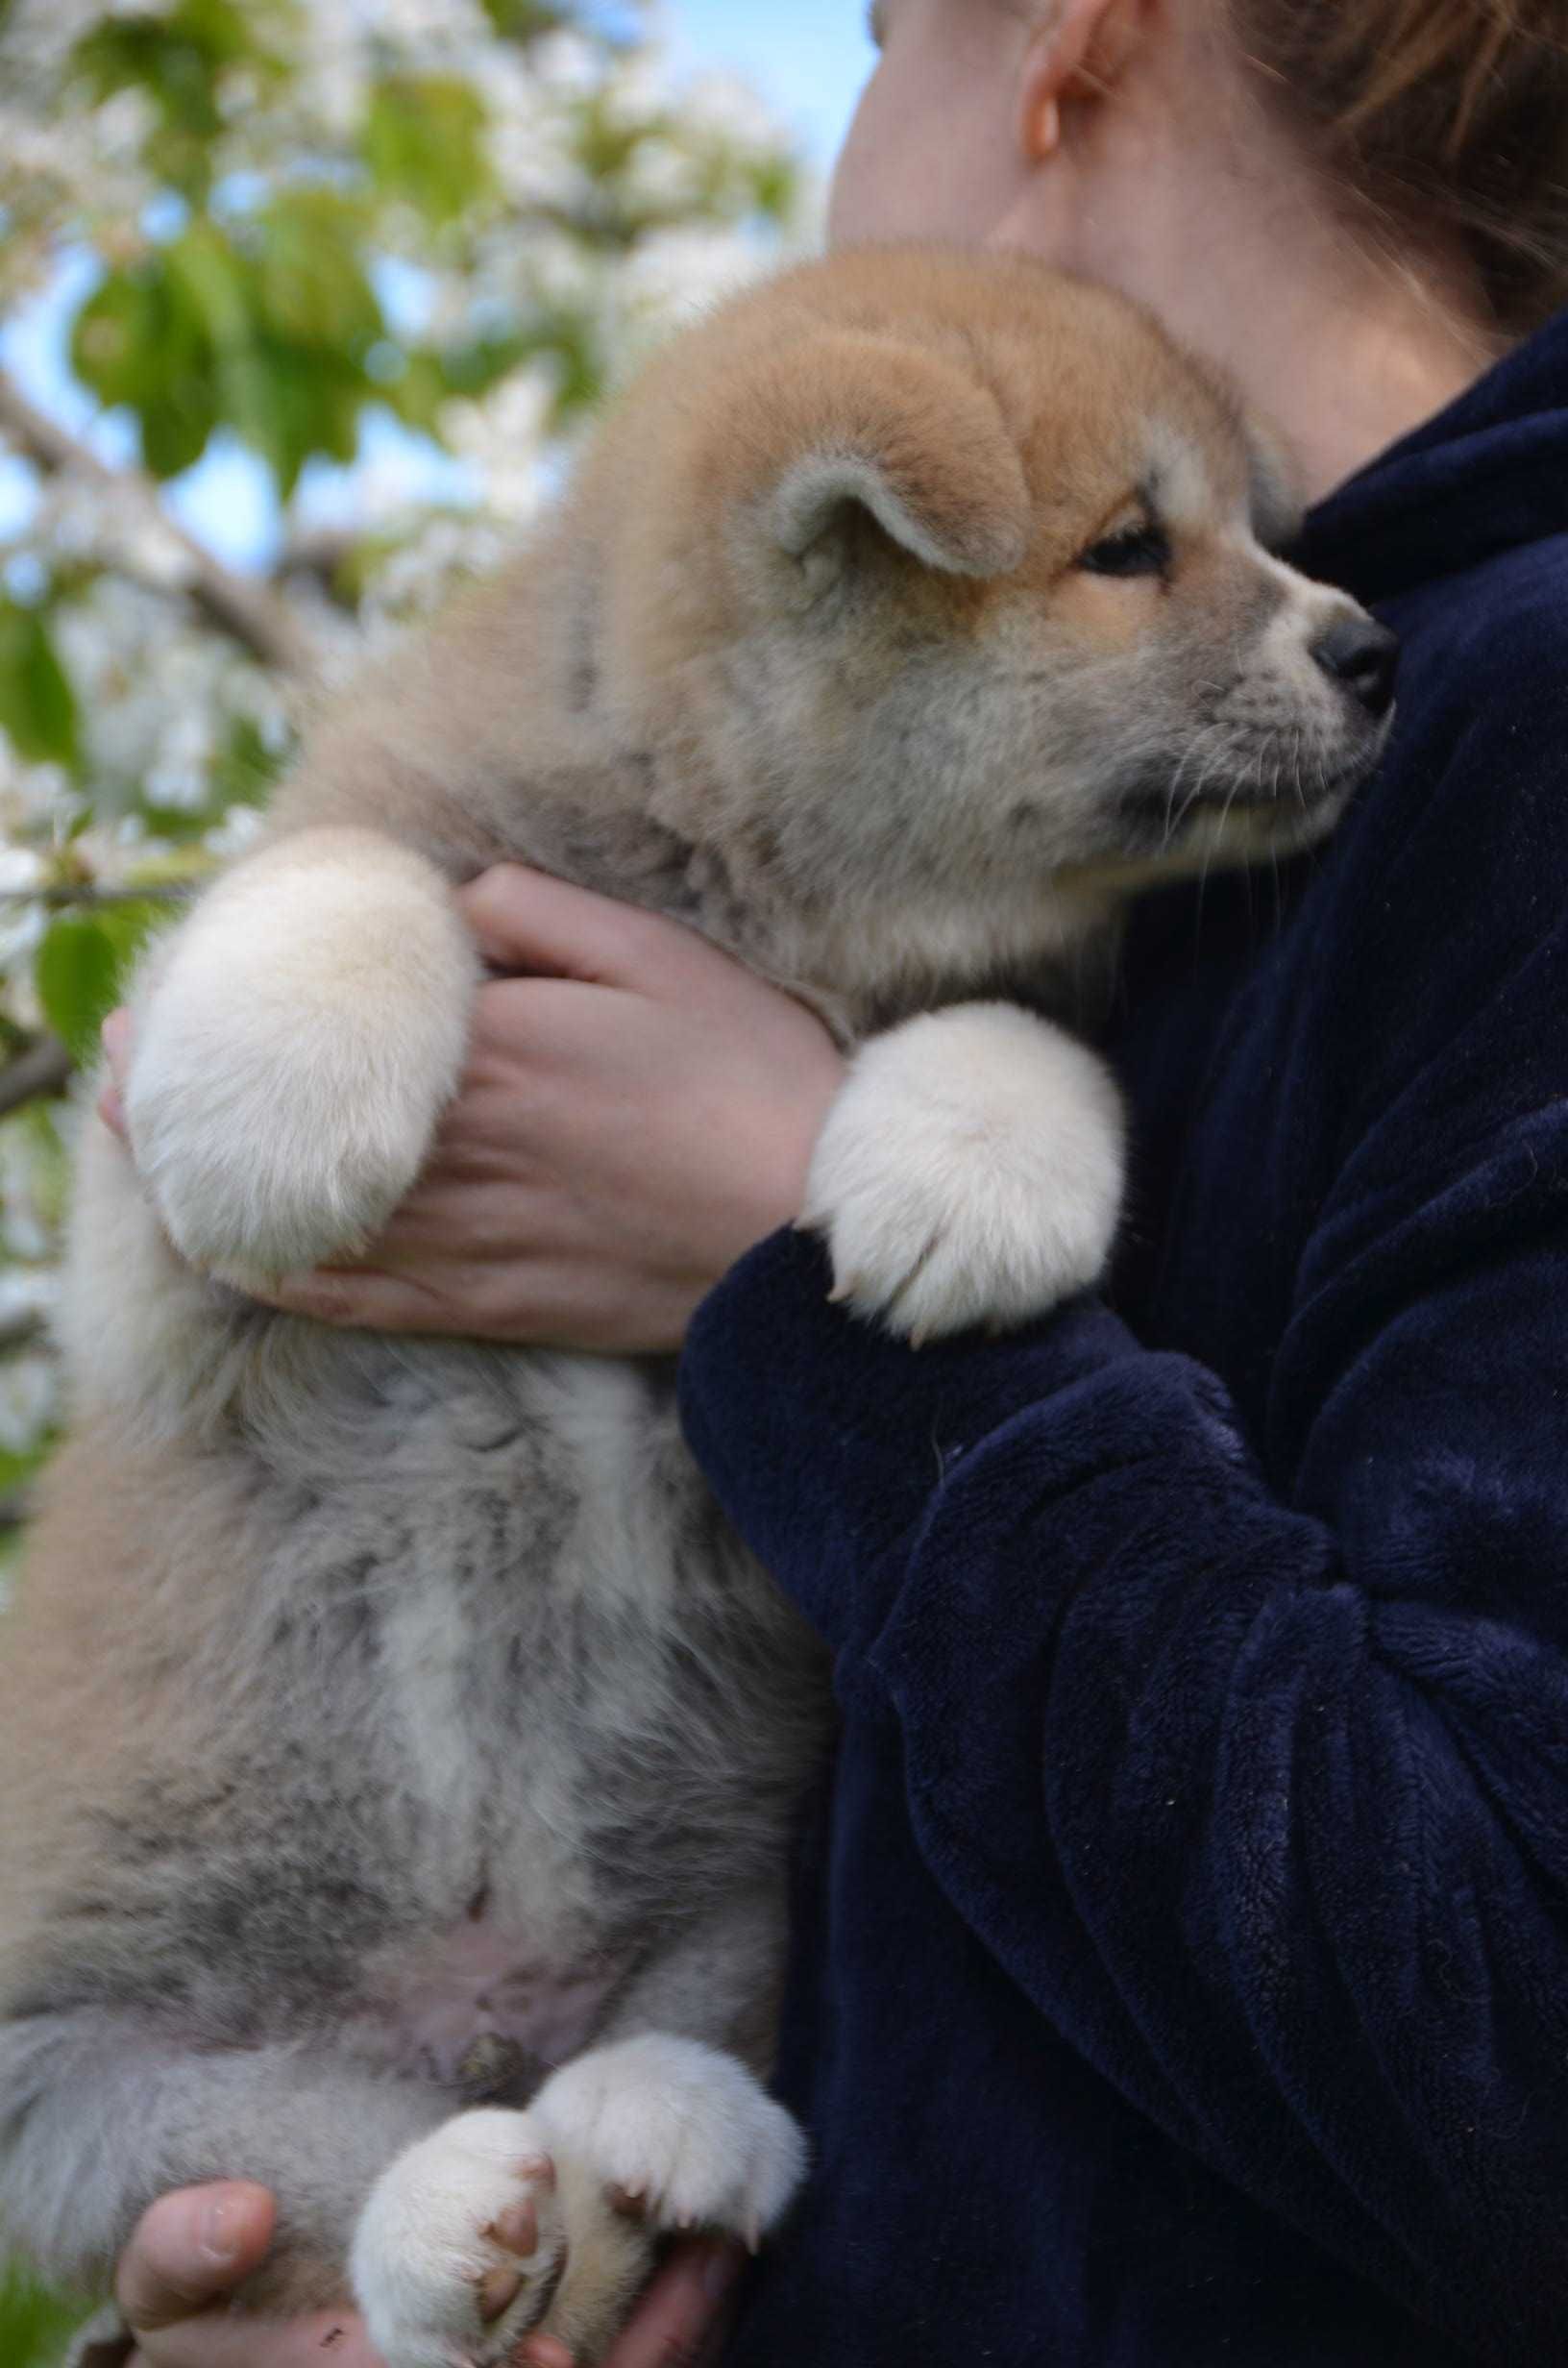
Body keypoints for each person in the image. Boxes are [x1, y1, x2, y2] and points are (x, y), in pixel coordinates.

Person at [86, 0, 1568, 2360]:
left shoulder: (1501, 735)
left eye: (873, 30)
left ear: (1068, 40)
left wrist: (792, 1251)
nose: (839, 137)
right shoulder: (1101, 837)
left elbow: (1494, 2031)